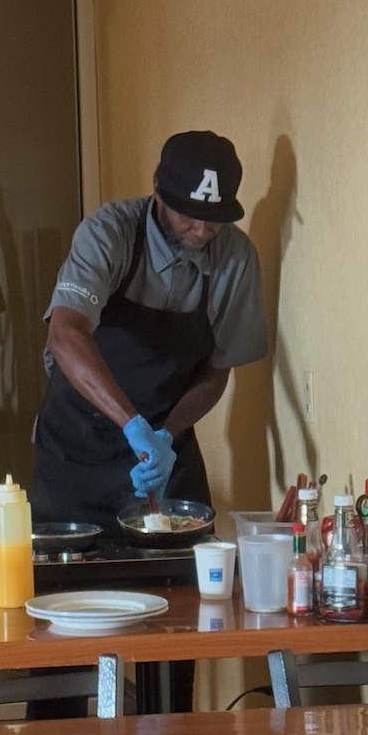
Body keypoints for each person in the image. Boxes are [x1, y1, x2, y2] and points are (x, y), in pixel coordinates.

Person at [33, 131, 267, 532]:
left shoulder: (236, 258)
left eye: (214, 220)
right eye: (187, 214)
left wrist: (163, 438)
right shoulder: (109, 233)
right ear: (157, 189)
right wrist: (132, 426)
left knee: (180, 581)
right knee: (71, 585)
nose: (200, 230)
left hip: (165, 449)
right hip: (76, 450)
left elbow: (217, 371)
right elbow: (66, 333)